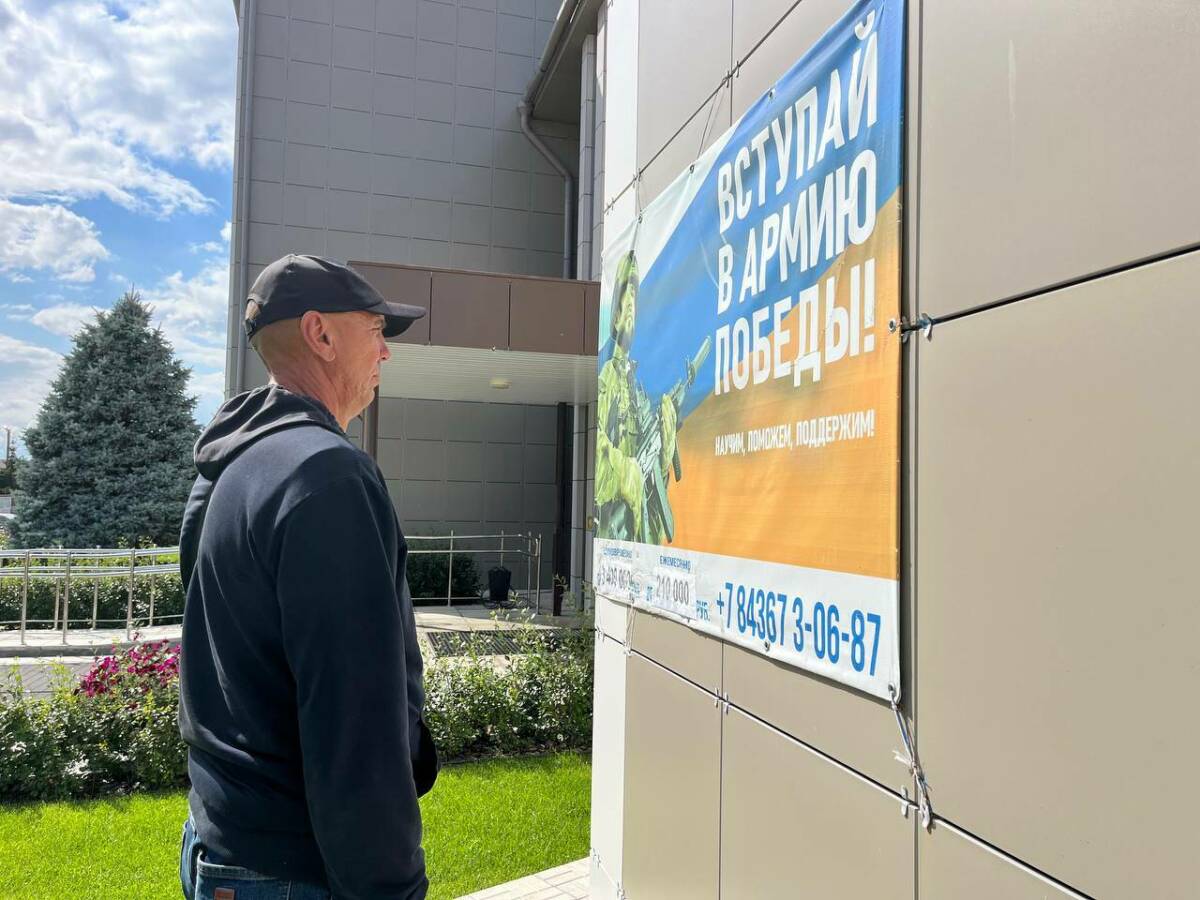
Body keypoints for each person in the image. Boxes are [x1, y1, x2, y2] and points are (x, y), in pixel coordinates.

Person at [177, 254, 436, 900]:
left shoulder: (231, 466)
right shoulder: (327, 477)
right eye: (376, 330)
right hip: (290, 870)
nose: (386, 352)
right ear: (321, 334)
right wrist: (392, 888)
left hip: (222, 842)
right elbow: (354, 720)